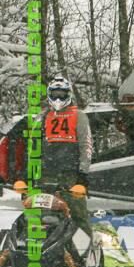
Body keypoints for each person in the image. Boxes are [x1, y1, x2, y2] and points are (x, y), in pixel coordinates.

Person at [38, 76, 93, 235]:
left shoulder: (78, 115)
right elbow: (35, 145)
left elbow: (86, 145)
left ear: (68, 94)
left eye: (61, 94)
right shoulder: (44, 116)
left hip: (70, 174)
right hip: (47, 173)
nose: (58, 98)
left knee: (78, 214)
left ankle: (87, 245)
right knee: (44, 214)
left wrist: (83, 173)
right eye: (55, 94)